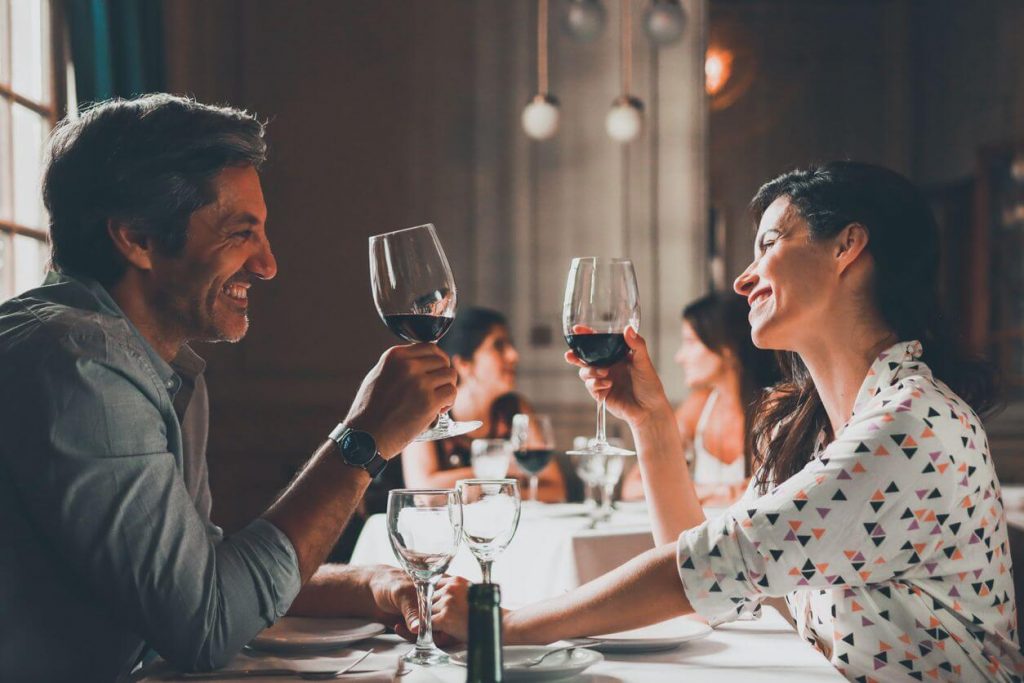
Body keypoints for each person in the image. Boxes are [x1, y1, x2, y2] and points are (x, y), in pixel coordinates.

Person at [434, 162, 1024, 681]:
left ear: (848, 246)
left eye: (769, 243)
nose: (743, 278)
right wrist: (653, 423)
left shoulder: (911, 425)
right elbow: (709, 581)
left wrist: (504, 623)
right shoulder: (811, 428)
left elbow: (712, 564)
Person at [0, 94, 459, 681]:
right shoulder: (83, 364)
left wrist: (369, 581)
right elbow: (206, 625)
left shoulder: (152, 362)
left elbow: (206, 576)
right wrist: (361, 442)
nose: (267, 265)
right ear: (136, 238)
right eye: (241, 234)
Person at [621, 292, 779, 505]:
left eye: (690, 342)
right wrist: (720, 492)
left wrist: (687, 493)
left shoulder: (774, 405)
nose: (680, 357)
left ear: (727, 348)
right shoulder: (699, 406)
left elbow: (765, 494)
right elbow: (633, 487)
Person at [402, 307, 565, 502]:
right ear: (464, 364)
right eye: (498, 346)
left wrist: (481, 487)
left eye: (510, 344)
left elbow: (556, 490)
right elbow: (424, 492)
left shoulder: (515, 409)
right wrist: (505, 470)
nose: (514, 355)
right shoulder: (427, 411)